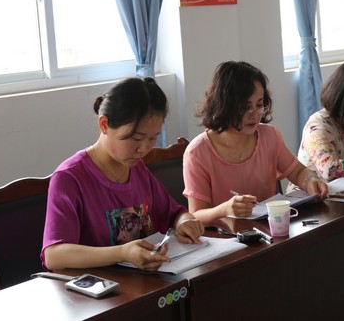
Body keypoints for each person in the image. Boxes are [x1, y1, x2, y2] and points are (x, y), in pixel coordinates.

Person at [42, 77, 204, 272]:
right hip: (104, 287)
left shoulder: (137, 169)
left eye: (153, 138)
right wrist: (121, 253)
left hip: (148, 281)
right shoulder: (70, 178)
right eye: (135, 138)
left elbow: (174, 213)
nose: (143, 149)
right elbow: (54, 255)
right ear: (104, 125)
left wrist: (185, 222)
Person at [183, 61, 329, 224]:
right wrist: (225, 210)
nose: (255, 114)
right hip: (225, 235)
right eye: (245, 107)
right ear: (225, 105)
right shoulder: (197, 152)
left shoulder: (270, 136)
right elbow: (195, 216)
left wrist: (310, 181)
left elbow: (298, 172)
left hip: (268, 229)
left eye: (259, 104)